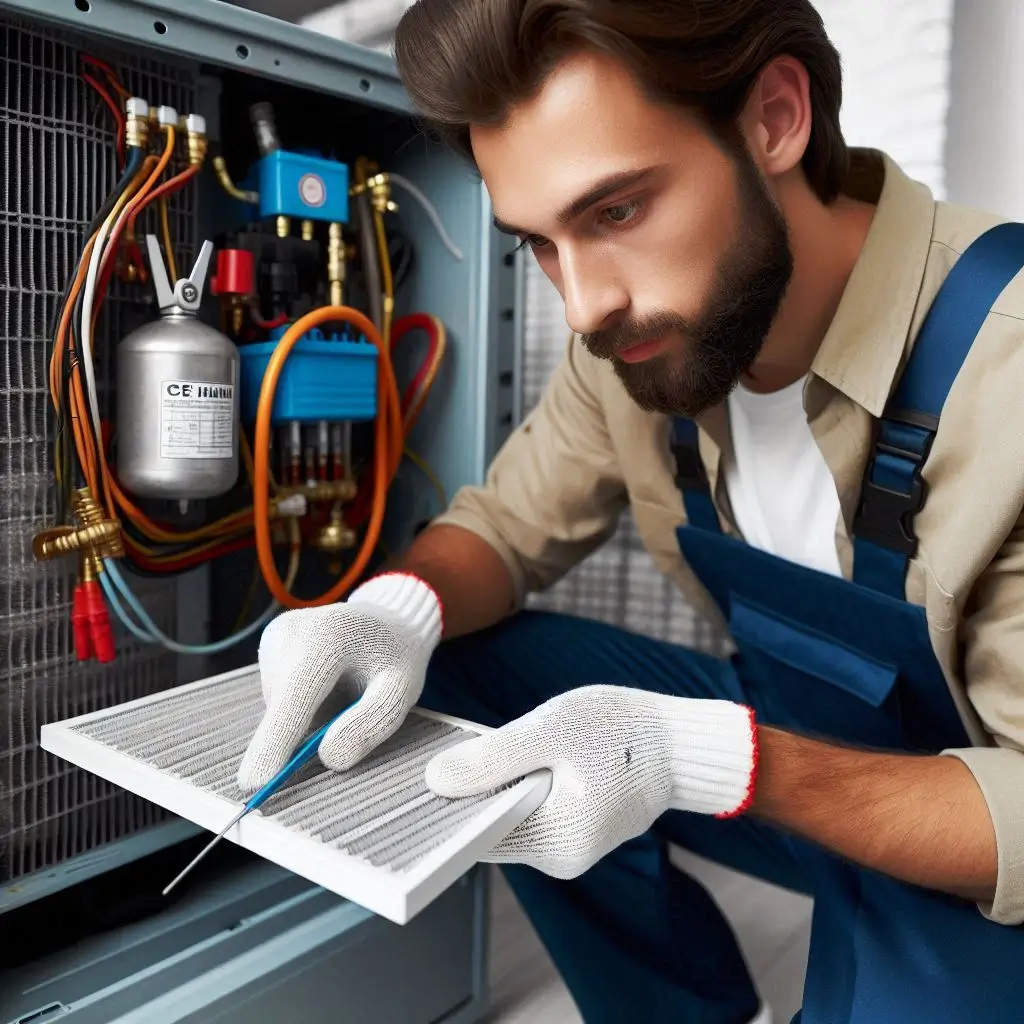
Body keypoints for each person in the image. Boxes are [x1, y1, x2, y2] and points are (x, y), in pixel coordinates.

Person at [240, 2, 1024, 1021]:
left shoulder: (1004, 371)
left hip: (975, 837)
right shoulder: (641, 341)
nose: (584, 307)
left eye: (614, 212)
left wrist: (705, 760)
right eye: (541, 242)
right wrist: (390, 614)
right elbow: (502, 529)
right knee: (464, 667)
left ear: (775, 119)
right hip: (796, 751)